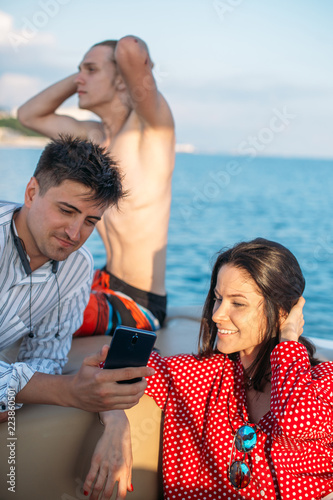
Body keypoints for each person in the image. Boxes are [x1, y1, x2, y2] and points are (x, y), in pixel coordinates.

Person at [92, 238, 333, 499]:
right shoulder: (203, 376)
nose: (217, 314)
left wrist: (287, 341)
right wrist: (115, 421)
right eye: (218, 299)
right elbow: (113, 367)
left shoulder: (323, 383)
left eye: (237, 303)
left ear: (284, 312)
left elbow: (293, 424)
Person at [17, 35, 175, 336]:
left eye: (91, 70)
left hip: (138, 301)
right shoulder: (93, 136)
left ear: (121, 80)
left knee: (28, 307)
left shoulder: (152, 128)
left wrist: (130, 72)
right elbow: (28, 115)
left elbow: (130, 48)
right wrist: (83, 74)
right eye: (79, 70)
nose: (80, 79)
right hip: (101, 279)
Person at [0, 135, 154, 428]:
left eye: (90, 221)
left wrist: (10, 394)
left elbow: (46, 357)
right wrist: (69, 391)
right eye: (66, 211)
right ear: (32, 192)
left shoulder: (78, 267)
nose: (74, 233)